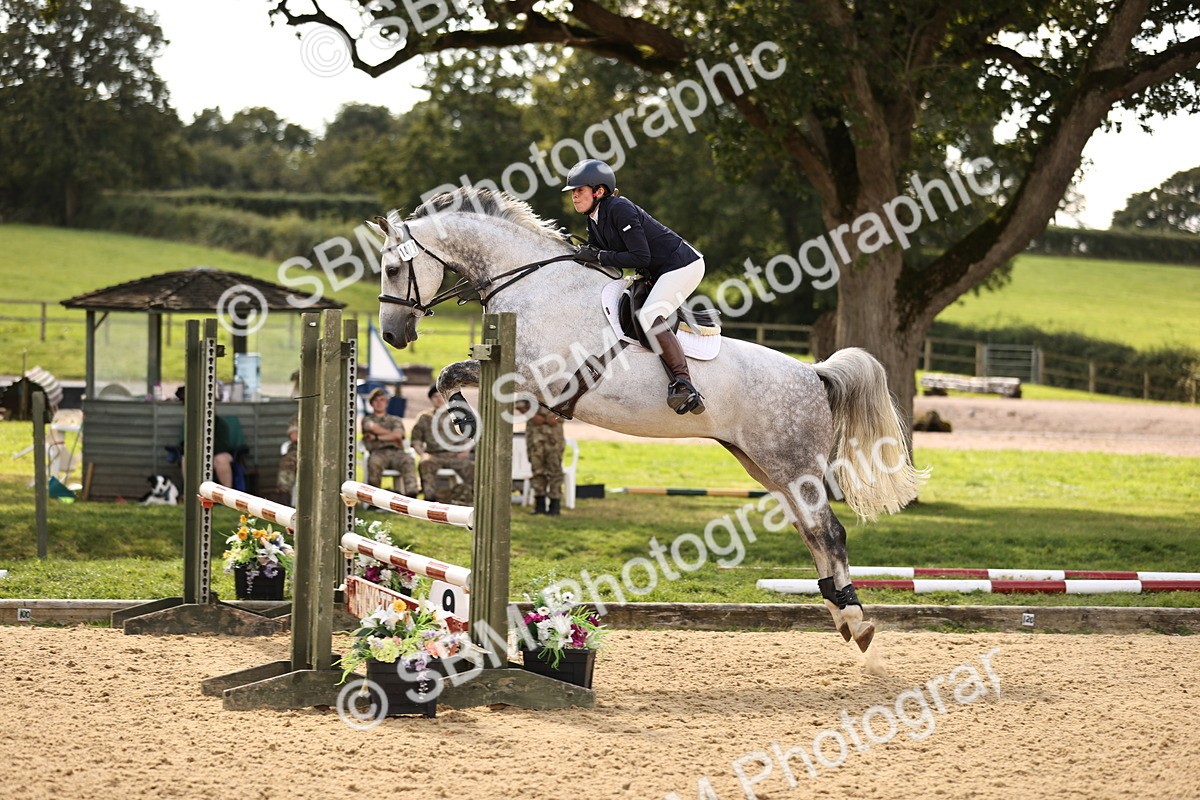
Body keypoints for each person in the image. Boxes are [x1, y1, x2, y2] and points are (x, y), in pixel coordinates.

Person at [564, 158, 706, 415]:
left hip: (682, 265)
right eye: (573, 191)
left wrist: (598, 256)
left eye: (579, 190)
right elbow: (601, 256)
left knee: (650, 314)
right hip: (656, 272)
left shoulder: (620, 209)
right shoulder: (594, 218)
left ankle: (684, 383)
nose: (574, 196)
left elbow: (640, 257)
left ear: (599, 191)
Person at [410, 385, 474, 504]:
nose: (438, 399)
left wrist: (465, 451)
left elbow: (468, 436)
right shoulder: (424, 417)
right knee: (425, 464)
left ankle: (473, 499)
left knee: (472, 467)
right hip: (433, 455)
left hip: (454, 455)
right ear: (431, 399)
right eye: (435, 396)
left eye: (440, 396)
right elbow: (416, 440)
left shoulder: (456, 415)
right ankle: (430, 500)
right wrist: (422, 454)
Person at [361, 387, 419, 496]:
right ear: (371, 403)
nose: (379, 403)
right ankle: (373, 498)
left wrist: (377, 437)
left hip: (396, 452)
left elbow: (398, 436)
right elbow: (373, 427)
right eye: (376, 400)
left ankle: (411, 495)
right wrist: (392, 435)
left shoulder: (395, 419)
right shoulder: (367, 420)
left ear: (387, 403)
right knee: (374, 462)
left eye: (382, 400)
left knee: (408, 460)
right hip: (377, 452)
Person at [523, 403, 565, 516]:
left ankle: (555, 506)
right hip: (535, 435)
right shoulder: (530, 390)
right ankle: (539, 505)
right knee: (537, 470)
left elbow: (570, 404)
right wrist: (533, 416)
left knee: (555, 471)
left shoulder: (561, 390)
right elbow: (520, 404)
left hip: (554, 436)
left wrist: (557, 417)